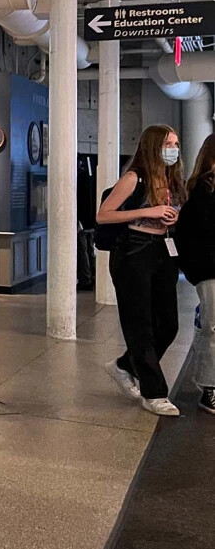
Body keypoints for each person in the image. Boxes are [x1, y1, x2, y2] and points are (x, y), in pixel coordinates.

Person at [97, 123, 184, 416]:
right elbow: (104, 215)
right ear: (153, 146)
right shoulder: (135, 178)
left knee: (168, 323)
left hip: (164, 251)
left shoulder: (172, 180)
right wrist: (148, 211)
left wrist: (172, 218)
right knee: (140, 323)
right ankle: (154, 392)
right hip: (134, 250)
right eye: (167, 144)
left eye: (175, 144)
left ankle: (125, 365)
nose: (173, 150)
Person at [177, 134, 215, 415]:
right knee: (213, 329)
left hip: (206, 269)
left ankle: (208, 383)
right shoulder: (203, 191)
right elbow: (194, 237)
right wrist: (195, 271)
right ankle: (210, 389)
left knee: (210, 328)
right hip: (210, 271)